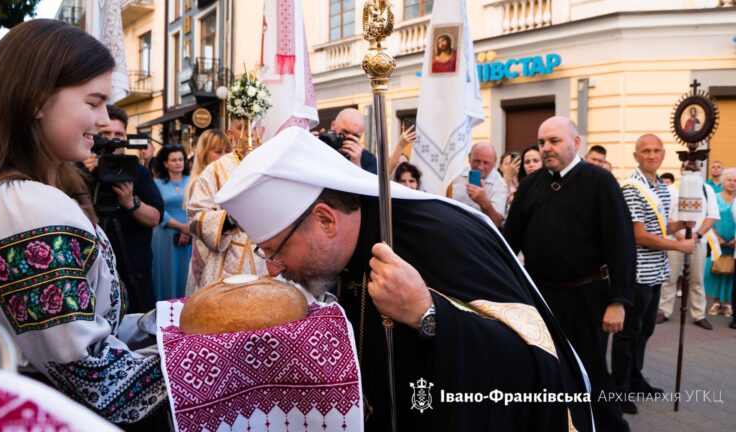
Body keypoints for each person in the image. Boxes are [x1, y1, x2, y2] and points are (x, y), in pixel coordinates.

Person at [212, 127, 593, 431]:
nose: (273, 267)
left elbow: (537, 364)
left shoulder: (439, 236)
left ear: (326, 220)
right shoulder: (340, 253)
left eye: (276, 250)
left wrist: (428, 315)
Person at [0, 19, 166, 424]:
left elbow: (84, 329)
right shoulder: (23, 208)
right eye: (92, 102)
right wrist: (224, 359)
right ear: (38, 99)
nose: (104, 120)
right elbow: (92, 379)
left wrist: (164, 322)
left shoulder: (24, 197)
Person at [504, 116, 635, 432]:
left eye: (554, 141)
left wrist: (619, 301)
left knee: (590, 370)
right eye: (541, 142)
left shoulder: (599, 182)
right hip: (541, 296)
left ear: (575, 143)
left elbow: (622, 244)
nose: (546, 148)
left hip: (587, 297)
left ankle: (609, 427)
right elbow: (509, 242)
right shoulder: (531, 185)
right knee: (545, 365)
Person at [611, 134, 697, 415]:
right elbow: (638, 235)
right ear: (636, 156)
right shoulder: (633, 188)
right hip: (636, 274)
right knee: (629, 334)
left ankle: (636, 379)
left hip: (655, 272)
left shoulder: (660, 185)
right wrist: (678, 245)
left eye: (657, 150)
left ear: (663, 154)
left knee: (645, 330)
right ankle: (618, 389)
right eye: (645, 151)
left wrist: (679, 225)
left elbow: (658, 228)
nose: (652, 155)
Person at [81, 105, 164, 314]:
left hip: (133, 271)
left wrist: (131, 203)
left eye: (118, 134)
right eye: (106, 134)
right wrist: (82, 176)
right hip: (92, 273)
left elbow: (155, 218)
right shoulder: (80, 170)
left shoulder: (139, 172)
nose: (112, 139)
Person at [185, 131, 267, 294]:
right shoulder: (211, 173)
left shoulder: (263, 164)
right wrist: (230, 218)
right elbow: (197, 216)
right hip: (227, 258)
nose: (223, 156)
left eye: (225, 151)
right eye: (217, 151)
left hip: (264, 256)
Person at [657, 171, 718, 328]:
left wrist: (696, 235)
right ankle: (664, 310)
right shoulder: (672, 189)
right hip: (675, 240)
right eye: (687, 168)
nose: (691, 171)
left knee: (697, 279)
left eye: (695, 168)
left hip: (698, 241)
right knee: (670, 277)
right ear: (681, 170)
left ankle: (698, 314)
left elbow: (711, 215)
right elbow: (666, 215)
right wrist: (679, 236)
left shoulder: (707, 189)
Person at [152, 145, 192, 301]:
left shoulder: (192, 180)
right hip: (165, 235)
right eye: (173, 160)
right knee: (167, 273)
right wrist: (181, 227)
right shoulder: (157, 184)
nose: (178, 163)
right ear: (165, 163)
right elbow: (158, 209)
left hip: (191, 233)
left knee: (187, 273)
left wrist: (188, 229)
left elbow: (197, 205)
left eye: (181, 159)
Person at [449, 142, 508, 227]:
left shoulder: (500, 184)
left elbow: (496, 222)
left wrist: (484, 202)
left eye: (486, 163)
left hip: (480, 234)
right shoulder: (456, 176)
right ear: (469, 158)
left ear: (495, 162)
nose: (480, 167)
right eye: (476, 161)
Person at [704, 167, 736, 318]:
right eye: (729, 180)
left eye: (735, 181)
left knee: (732, 272)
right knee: (716, 270)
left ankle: (728, 303)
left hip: (734, 243)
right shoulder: (715, 197)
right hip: (717, 241)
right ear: (723, 181)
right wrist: (718, 238)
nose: (732, 183)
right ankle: (716, 302)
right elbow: (708, 218)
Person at [324, 108, 377, 174]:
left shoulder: (368, 160)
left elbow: (370, 183)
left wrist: (356, 165)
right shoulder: (319, 146)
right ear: (333, 125)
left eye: (355, 136)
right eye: (345, 132)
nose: (348, 138)